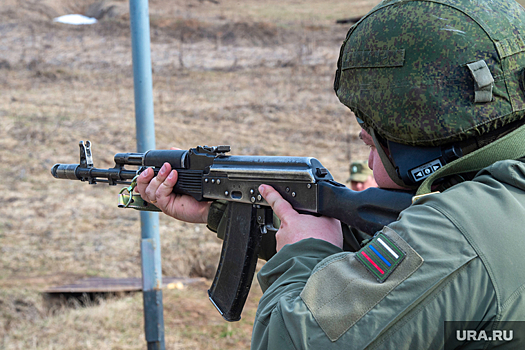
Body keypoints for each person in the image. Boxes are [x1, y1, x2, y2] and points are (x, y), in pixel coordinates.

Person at [136, 0, 525, 348]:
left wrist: (303, 253)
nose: (369, 162)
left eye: (371, 144)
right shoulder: (502, 192)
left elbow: (289, 341)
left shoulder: (459, 235)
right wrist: (223, 211)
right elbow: (394, 271)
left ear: (410, 139)